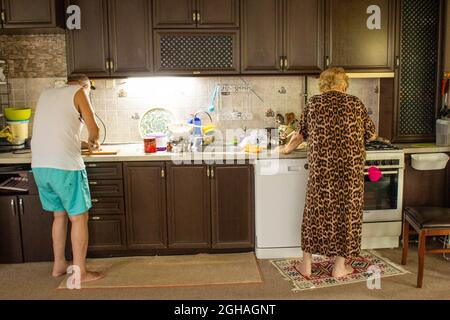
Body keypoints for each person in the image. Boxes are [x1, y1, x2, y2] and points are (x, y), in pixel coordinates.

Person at [279, 67, 377, 278]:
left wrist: (286, 149)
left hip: (322, 171)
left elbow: (299, 135)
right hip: (350, 171)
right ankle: (339, 267)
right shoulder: (355, 103)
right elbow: (371, 134)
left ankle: (306, 265)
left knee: (315, 213)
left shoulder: (314, 103)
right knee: (347, 214)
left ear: (323, 84)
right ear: (344, 85)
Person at [31, 74, 103, 283]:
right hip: (65, 167)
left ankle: (59, 265)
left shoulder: (47, 93)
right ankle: (80, 271)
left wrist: (82, 143)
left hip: (40, 167)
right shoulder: (80, 92)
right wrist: (94, 141)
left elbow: (57, 133)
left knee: (59, 216)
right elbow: (95, 130)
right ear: (85, 86)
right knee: (78, 218)